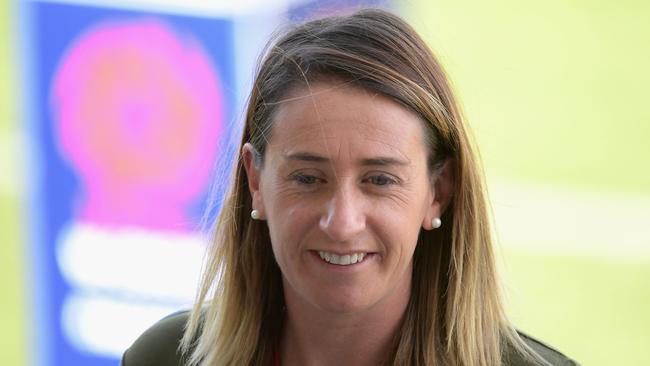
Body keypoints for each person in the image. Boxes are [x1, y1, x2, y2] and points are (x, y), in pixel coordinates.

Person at [121, 8, 579, 366]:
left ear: (438, 190)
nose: (341, 222)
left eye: (379, 180)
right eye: (307, 178)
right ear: (255, 181)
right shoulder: (161, 359)